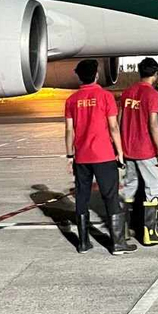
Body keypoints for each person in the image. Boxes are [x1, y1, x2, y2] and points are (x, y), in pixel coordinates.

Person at [64, 59, 134, 255]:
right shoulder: (105, 96)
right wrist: (120, 152)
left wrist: (70, 154)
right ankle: (118, 243)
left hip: (82, 157)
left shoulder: (71, 100)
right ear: (96, 75)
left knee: (82, 197)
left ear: (79, 77)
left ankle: (83, 243)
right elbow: (113, 126)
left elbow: (69, 130)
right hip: (104, 156)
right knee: (110, 196)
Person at [119, 57, 158, 246]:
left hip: (128, 148)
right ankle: (150, 233)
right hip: (145, 149)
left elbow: (120, 120)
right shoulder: (152, 94)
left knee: (129, 188)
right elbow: (153, 124)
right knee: (153, 189)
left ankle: (123, 230)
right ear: (156, 74)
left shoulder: (127, 92)